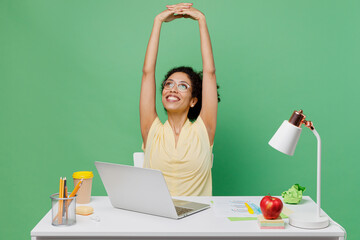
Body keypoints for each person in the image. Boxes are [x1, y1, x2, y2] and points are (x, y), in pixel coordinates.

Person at [140, 3, 219, 196]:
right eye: (168, 84)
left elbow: (209, 73)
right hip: (156, 220)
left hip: (197, 221)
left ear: (193, 100)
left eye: (183, 86)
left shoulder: (204, 128)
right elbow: (147, 73)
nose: (173, 89)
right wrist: (158, 21)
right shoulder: (151, 130)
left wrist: (201, 20)